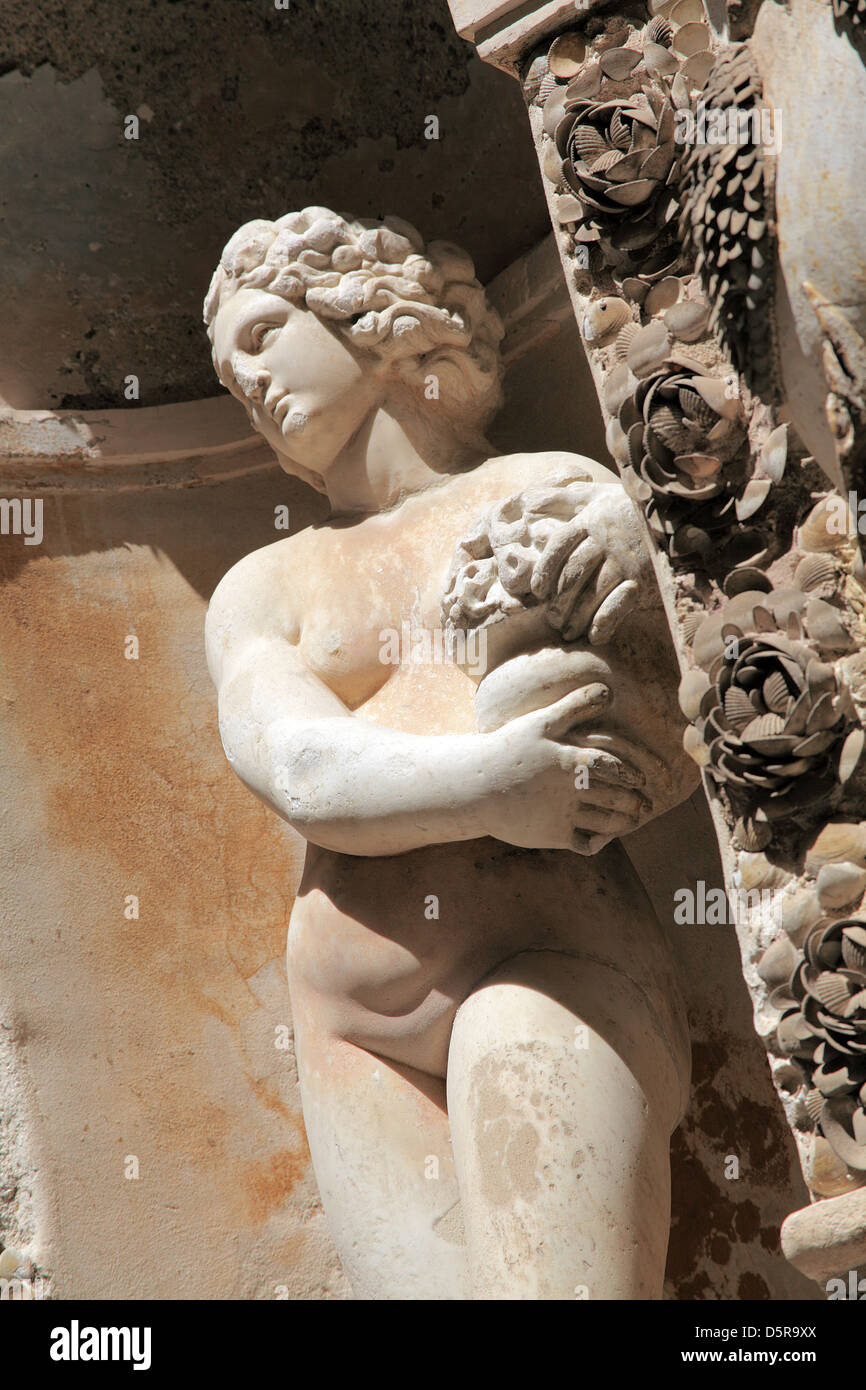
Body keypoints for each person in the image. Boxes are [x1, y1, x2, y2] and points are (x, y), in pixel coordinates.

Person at [203, 207, 694, 1299]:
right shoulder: (266, 584)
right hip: (350, 1026)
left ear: (366, 315)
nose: (249, 390)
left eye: (261, 338)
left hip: (550, 968)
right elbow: (295, 769)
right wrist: (490, 786)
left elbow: (676, 707)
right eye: (228, 384)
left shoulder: (544, 491)